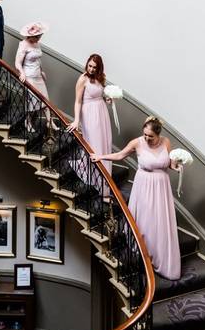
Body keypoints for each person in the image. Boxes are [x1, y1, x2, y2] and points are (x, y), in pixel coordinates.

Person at [91, 116, 181, 280]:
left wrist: (176, 167)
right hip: (144, 187)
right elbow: (120, 155)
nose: (147, 138)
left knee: (160, 221)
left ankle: (161, 257)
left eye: (150, 136)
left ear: (158, 134)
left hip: (162, 188)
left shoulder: (166, 142)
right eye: (145, 134)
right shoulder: (137, 143)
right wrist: (101, 157)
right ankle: (145, 255)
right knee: (146, 221)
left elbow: (169, 163)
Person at [66, 54, 113, 183]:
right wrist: (76, 120)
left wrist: (108, 99)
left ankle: (104, 180)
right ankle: (95, 179)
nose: (91, 69)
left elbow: (101, 95)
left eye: (94, 67)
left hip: (102, 113)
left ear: (99, 68)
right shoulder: (82, 79)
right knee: (94, 144)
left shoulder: (101, 78)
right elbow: (78, 101)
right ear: (87, 64)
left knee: (104, 143)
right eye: (90, 66)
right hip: (89, 114)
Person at [15, 22, 50, 131]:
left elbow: (38, 59)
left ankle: (50, 122)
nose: (39, 39)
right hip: (29, 76)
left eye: (40, 36)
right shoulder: (23, 44)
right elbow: (17, 62)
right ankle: (28, 121)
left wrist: (42, 71)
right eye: (37, 37)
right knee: (33, 102)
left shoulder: (37, 44)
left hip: (38, 75)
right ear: (30, 35)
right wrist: (22, 73)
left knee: (45, 99)